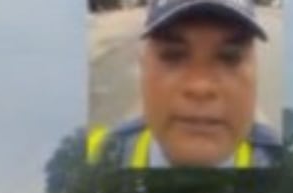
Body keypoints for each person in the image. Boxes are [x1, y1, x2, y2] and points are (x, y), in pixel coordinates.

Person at [89, 0, 281, 169]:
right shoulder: (95, 157)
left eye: (230, 58)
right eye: (172, 55)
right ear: (143, 65)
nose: (200, 87)